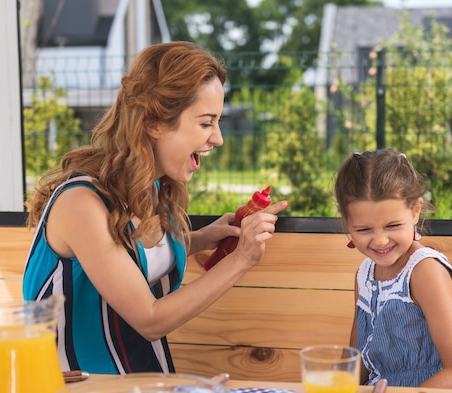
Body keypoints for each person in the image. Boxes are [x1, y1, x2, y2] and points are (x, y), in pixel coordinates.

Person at [22, 41, 289, 375]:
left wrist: (202, 239)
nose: (218, 138)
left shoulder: (153, 186)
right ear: (154, 123)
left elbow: (128, 260)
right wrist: (241, 259)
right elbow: (149, 320)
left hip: (143, 386)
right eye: (206, 123)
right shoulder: (81, 204)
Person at [334, 149, 452, 389]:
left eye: (393, 225)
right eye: (363, 229)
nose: (380, 241)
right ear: (347, 222)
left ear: (415, 211)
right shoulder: (365, 275)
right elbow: (358, 363)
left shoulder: (424, 271)